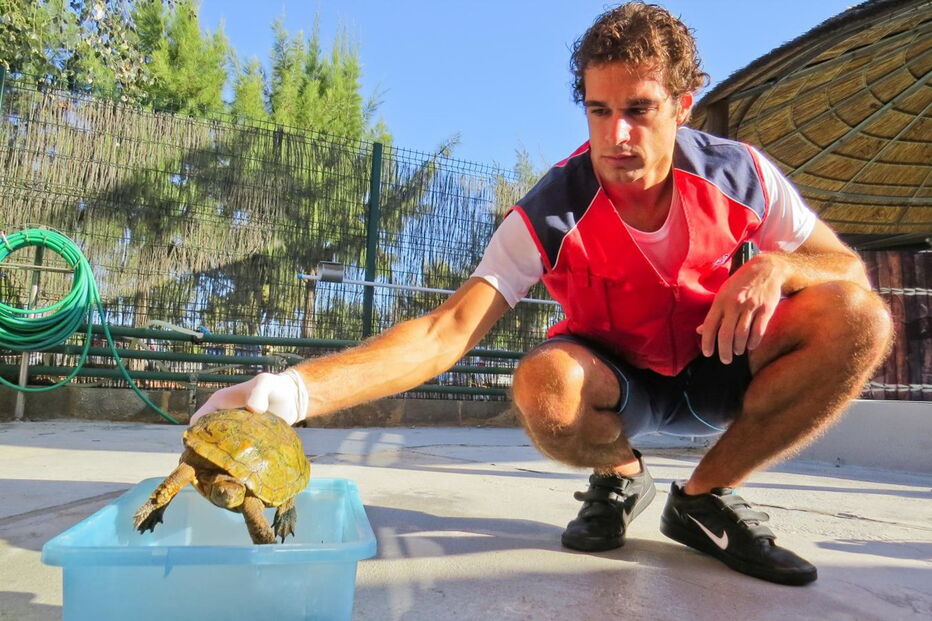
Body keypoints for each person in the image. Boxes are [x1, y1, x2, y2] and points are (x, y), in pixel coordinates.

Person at [193, 2, 892, 586]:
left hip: (721, 364)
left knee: (861, 319)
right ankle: (621, 475)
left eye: (640, 110)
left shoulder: (742, 175)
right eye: (599, 110)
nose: (617, 135)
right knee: (543, 384)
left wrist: (778, 267)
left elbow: (845, 270)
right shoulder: (551, 209)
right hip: (621, 382)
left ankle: (704, 499)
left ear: (682, 106)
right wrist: (289, 393)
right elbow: (445, 331)